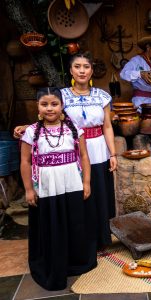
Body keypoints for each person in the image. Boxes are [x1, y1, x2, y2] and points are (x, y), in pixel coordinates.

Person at [15, 52, 118, 251]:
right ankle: (84, 241)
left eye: (86, 67)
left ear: (91, 71)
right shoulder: (63, 96)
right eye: (77, 66)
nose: (82, 71)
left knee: (100, 195)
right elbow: (50, 117)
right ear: (70, 70)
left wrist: (112, 154)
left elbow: (107, 126)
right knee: (80, 195)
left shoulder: (102, 96)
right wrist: (27, 127)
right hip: (73, 151)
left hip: (98, 148)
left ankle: (102, 240)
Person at [20, 87, 95, 290]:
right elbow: (25, 162)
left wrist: (86, 182)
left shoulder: (74, 129)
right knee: (52, 224)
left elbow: (84, 157)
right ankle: (55, 261)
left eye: (54, 104)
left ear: (62, 106)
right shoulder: (31, 132)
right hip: (47, 188)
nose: (50, 108)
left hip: (71, 184)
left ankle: (75, 261)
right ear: (38, 106)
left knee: (74, 223)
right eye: (44, 104)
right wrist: (28, 189)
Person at [120, 35, 151, 123]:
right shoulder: (136, 60)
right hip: (140, 101)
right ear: (148, 47)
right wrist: (140, 73)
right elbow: (123, 74)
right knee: (142, 127)